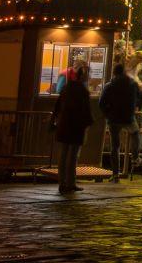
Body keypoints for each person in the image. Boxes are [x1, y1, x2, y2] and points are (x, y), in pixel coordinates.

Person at [52, 65, 93, 194]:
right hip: (76, 126)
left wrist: (54, 120)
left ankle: (62, 182)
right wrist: (89, 122)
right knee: (73, 156)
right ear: (84, 76)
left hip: (64, 125)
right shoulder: (83, 91)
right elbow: (86, 110)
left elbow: (58, 105)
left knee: (63, 154)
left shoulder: (66, 88)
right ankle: (71, 182)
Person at [98, 63, 142, 181]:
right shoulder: (132, 84)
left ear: (114, 73)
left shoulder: (109, 85)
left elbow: (101, 103)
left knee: (115, 146)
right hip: (128, 117)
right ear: (123, 72)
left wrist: (108, 113)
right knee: (135, 133)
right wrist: (135, 107)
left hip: (114, 119)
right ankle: (135, 157)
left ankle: (115, 174)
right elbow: (140, 98)